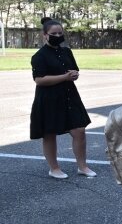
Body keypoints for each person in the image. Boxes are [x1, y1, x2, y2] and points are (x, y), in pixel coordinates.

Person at [30, 17, 96, 179]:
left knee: (79, 130)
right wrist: (65, 77)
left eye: (60, 32)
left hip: (69, 95)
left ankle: (82, 166)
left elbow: (73, 71)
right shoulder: (39, 56)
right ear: (45, 35)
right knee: (49, 133)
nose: (58, 35)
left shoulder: (67, 51)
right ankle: (54, 168)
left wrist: (74, 75)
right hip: (49, 98)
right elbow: (39, 80)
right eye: (54, 33)